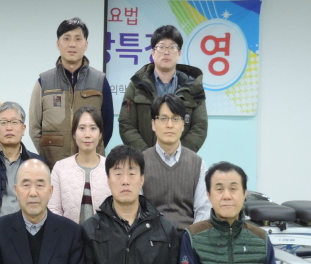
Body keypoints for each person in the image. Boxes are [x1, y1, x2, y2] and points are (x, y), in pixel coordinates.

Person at [29, 17, 113, 167]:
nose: (72, 44)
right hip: (52, 166)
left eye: (78, 39)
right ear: (58, 44)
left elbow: (107, 126)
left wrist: (93, 151)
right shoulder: (44, 81)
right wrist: (46, 156)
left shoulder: (99, 81)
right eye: (66, 38)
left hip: (91, 166)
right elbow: (35, 127)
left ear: (86, 44)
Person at [119, 25, 207, 153]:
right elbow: (126, 124)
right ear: (153, 52)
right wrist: (147, 156)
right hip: (144, 160)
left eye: (172, 47)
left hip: (180, 160)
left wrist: (179, 155)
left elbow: (200, 126)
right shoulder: (137, 85)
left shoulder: (193, 86)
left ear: (179, 53)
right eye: (161, 47)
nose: (166, 52)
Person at [141, 94, 211, 233]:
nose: (170, 125)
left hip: (187, 236)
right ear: (153, 124)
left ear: (183, 124)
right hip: (150, 237)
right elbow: (137, 208)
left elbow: (204, 209)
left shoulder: (197, 164)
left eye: (175, 119)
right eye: (163, 119)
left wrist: (190, 238)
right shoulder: (140, 162)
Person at [0, 102, 46, 233]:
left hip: (29, 230)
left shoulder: (37, 163)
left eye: (14, 122)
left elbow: (42, 200)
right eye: (3, 123)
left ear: (23, 129)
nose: (9, 128)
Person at [49, 106, 110, 223]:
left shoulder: (111, 168)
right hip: (68, 234)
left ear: (100, 134)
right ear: (73, 134)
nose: (87, 134)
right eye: (82, 128)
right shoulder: (60, 168)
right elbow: (53, 209)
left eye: (93, 128)